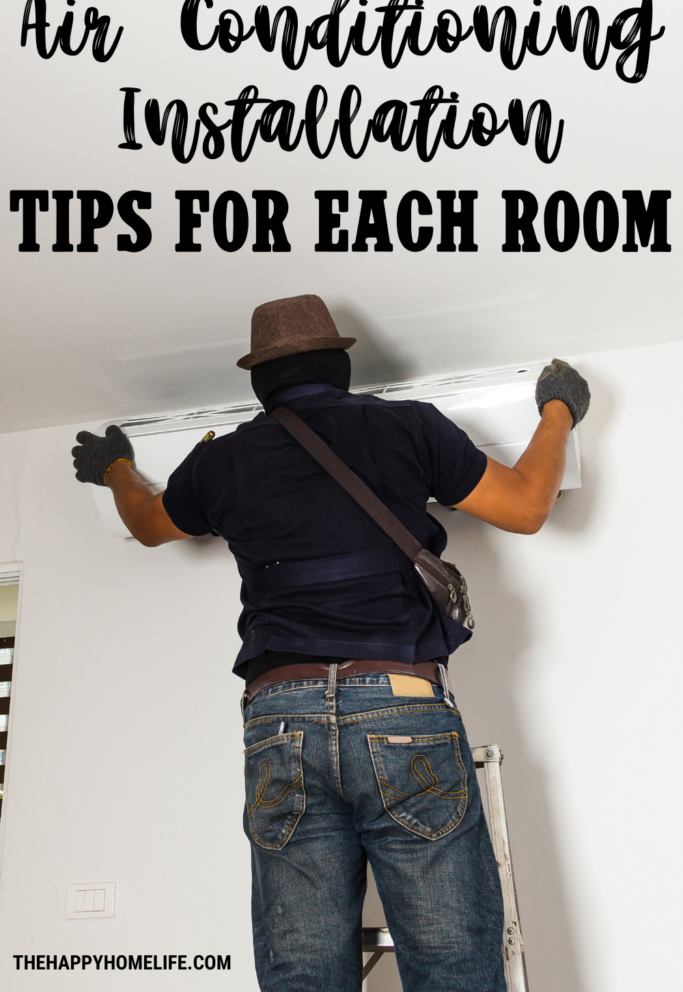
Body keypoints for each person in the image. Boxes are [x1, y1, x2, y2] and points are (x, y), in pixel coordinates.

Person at [72, 295, 590, 992]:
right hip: (402, 708)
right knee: (451, 968)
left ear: (260, 384)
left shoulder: (225, 460)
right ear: (340, 367)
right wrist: (557, 409)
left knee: (303, 975)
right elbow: (527, 506)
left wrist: (115, 467)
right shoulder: (408, 428)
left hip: (279, 722)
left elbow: (147, 522)